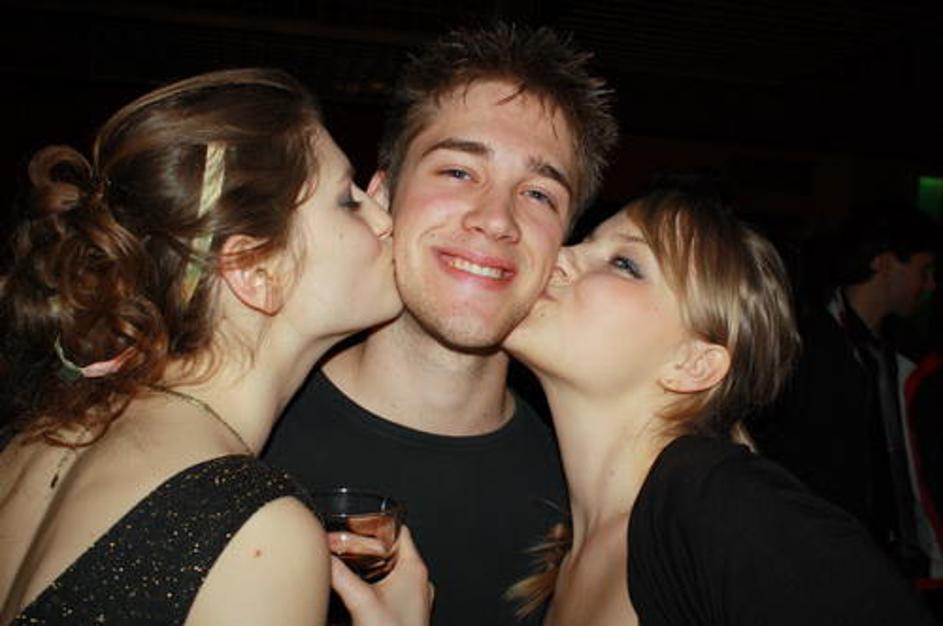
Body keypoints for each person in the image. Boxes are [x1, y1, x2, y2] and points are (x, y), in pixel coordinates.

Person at [0, 68, 431, 626]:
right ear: (254, 270)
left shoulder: (40, 435)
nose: (384, 220)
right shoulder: (256, 534)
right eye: (347, 201)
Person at [264, 23, 618, 626]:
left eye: (538, 194)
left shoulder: (581, 509)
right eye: (458, 172)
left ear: (563, 247)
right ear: (382, 198)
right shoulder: (246, 433)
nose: (496, 219)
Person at [503, 188, 937, 625]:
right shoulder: (569, 541)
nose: (559, 255)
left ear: (692, 365)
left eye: (625, 264)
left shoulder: (722, 506)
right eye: (583, 240)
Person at [751, 209, 940, 577]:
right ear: (884, 263)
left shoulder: (909, 356)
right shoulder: (805, 351)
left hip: (898, 562)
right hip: (827, 558)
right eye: (925, 269)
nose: (931, 285)